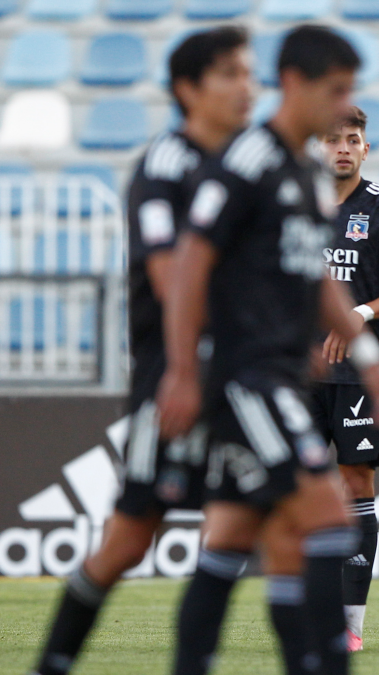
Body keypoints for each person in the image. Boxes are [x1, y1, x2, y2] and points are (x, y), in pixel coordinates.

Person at [155, 25, 379, 675]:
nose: (344, 110)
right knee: (325, 516)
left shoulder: (303, 175)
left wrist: (368, 360)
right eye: (336, 92)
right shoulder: (248, 161)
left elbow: (317, 280)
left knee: (237, 535)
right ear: (296, 85)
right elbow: (189, 268)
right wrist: (182, 368)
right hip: (246, 375)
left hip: (281, 373)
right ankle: (327, 659)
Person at [29, 27, 254, 675]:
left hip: (243, 378)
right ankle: (52, 663)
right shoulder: (165, 166)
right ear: (188, 89)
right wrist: (186, 366)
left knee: (272, 522)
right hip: (175, 377)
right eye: (230, 74)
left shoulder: (249, 162)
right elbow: (169, 278)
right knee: (129, 540)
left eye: (249, 72)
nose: (247, 86)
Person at [312, 105, 379, 651]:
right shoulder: (295, 204)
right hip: (299, 372)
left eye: (352, 139)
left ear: (366, 148)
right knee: (300, 492)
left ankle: (351, 625)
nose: (343, 148)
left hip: (357, 375)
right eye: (333, 139)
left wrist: (360, 314)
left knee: (356, 483)